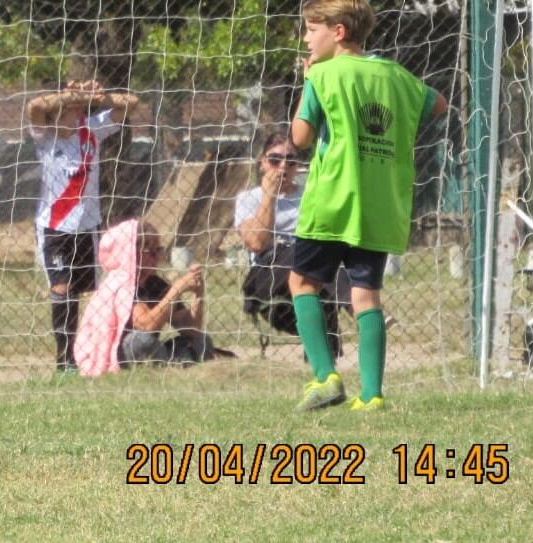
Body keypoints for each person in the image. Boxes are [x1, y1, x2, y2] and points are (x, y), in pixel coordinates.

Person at [288, 0, 446, 412]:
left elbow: (299, 138)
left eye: (311, 29)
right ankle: (372, 395)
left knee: (302, 283)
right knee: (366, 295)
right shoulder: (394, 75)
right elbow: (438, 103)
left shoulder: (323, 75)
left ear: (338, 32)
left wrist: (308, 80)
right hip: (380, 205)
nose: (306, 38)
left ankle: (325, 376)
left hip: (332, 201)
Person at [26, 79, 139, 371]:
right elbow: (35, 106)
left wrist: (99, 96)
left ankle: (97, 352)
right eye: (68, 108)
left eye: (78, 109)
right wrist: (71, 94)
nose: (74, 114)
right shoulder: (45, 136)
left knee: (90, 292)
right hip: (54, 228)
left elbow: (131, 104)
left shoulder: (91, 129)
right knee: (62, 289)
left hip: (87, 227)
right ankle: (65, 361)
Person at [234, 130, 343, 356]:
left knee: (327, 259)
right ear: (262, 163)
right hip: (267, 274)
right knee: (303, 253)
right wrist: (269, 195)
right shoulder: (248, 198)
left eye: (291, 160)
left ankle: (324, 365)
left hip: (311, 270)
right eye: (275, 160)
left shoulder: (310, 196)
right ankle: (360, 308)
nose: (283, 166)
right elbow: (256, 242)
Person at [73, 220, 231, 373]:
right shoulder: (121, 284)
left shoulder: (155, 283)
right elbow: (147, 326)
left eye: (159, 250)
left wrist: (198, 293)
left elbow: (191, 329)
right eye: (150, 251)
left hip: (153, 350)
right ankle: (177, 363)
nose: (157, 257)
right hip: (123, 352)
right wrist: (176, 289)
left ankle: (169, 364)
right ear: (132, 253)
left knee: (202, 341)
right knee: (141, 341)